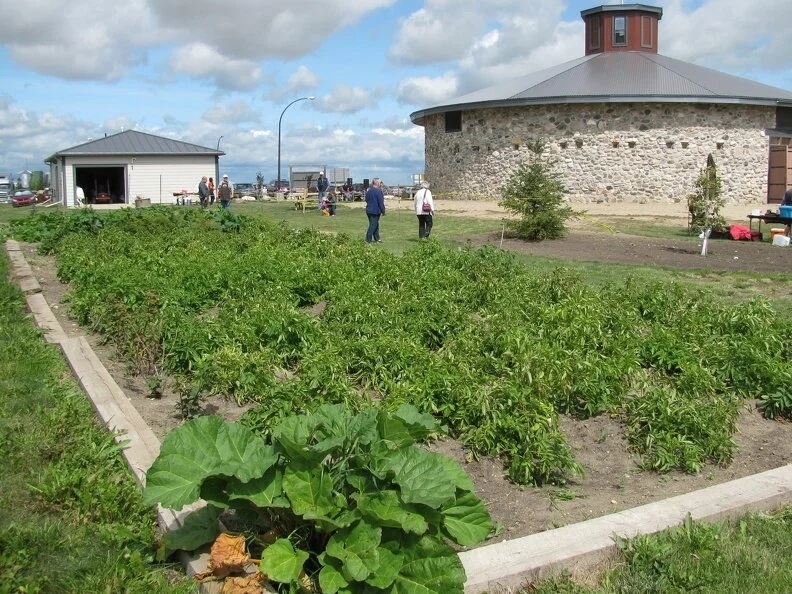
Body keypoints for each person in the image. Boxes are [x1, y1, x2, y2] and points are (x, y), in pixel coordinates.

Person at [364, 178, 386, 243]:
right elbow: (381, 203)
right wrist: (383, 211)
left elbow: (366, 200)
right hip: (375, 211)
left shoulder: (368, 191)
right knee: (373, 225)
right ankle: (368, 240)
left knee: (375, 224)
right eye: (380, 182)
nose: (381, 184)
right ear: (377, 183)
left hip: (369, 210)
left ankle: (377, 238)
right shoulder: (379, 191)